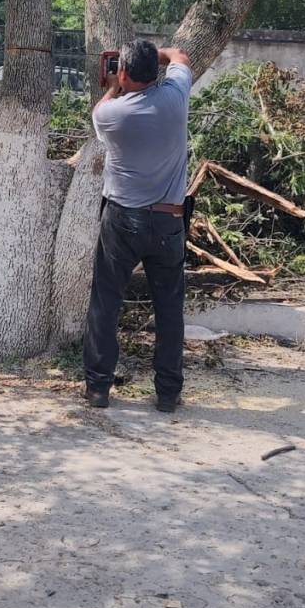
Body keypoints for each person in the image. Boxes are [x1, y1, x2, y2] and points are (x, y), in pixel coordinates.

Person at [82, 38, 193, 413]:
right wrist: (158, 54)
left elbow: (102, 107)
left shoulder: (111, 115)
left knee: (106, 303)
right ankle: (167, 394)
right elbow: (180, 56)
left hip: (122, 219)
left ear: (125, 72)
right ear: (156, 73)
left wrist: (113, 85)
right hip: (169, 219)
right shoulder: (176, 97)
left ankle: (98, 389)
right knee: (169, 308)